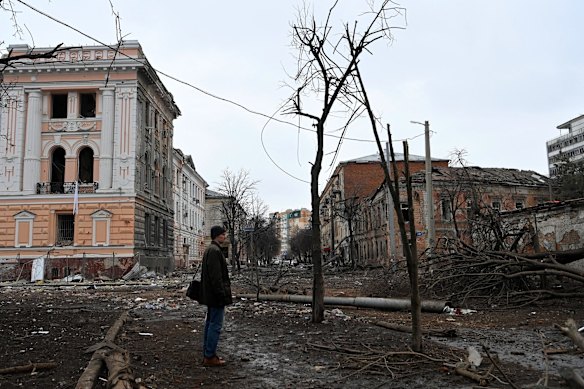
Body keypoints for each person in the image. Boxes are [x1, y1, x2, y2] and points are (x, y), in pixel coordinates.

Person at [199, 225, 233, 367]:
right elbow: (216, 277)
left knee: (210, 323)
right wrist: (221, 294)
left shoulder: (210, 250)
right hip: (215, 295)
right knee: (215, 325)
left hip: (211, 294)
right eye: (223, 234)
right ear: (218, 235)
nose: (225, 236)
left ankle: (208, 353)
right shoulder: (214, 251)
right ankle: (209, 356)